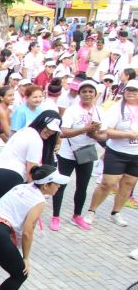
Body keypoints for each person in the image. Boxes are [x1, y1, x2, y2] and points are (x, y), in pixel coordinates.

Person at [51, 79, 105, 231]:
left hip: (86, 151)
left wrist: (95, 134)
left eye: (90, 92)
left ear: (95, 94)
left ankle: (77, 215)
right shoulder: (72, 110)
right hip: (68, 152)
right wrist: (85, 129)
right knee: (61, 184)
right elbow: (63, 132)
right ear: (79, 93)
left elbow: (104, 135)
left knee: (82, 186)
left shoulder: (100, 111)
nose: (87, 94)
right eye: (84, 91)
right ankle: (55, 216)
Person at [85, 80, 138, 227]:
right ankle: (91, 211)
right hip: (117, 152)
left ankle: (116, 212)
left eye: (135, 91)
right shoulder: (117, 108)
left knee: (128, 184)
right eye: (129, 90)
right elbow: (106, 130)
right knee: (107, 183)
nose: (131, 93)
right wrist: (127, 135)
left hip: (136, 154)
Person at [0, 111, 61, 200]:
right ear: (41, 123)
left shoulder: (24, 131)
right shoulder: (35, 139)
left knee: (4, 212)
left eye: (54, 131)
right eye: (48, 128)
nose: (50, 132)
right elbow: (31, 171)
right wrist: (34, 195)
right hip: (9, 177)